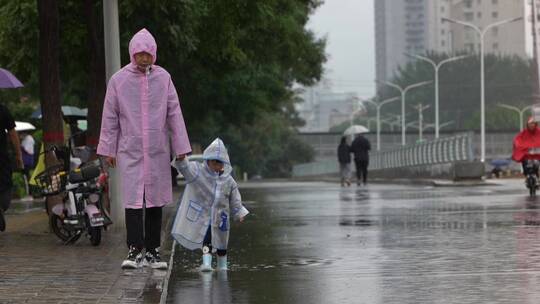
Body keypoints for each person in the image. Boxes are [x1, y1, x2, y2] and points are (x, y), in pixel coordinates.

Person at [97, 28, 191, 269]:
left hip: (157, 149)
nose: (144, 58)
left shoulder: (164, 78)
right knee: (133, 201)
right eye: (139, 54)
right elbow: (110, 116)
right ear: (132, 53)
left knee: (155, 201)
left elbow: (174, 112)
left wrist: (181, 147)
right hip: (130, 149)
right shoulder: (118, 80)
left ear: (154, 54)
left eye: (148, 54)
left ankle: (153, 252)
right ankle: (134, 250)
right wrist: (109, 149)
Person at [172, 138, 249, 271]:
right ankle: (206, 263)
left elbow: (235, 198)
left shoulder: (228, 181)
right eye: (215, 163)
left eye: (220, 164)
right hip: (205, 217)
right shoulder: (198, 172)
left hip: (221, 218)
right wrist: (182, 159)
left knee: (221, 243)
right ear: (207, 161)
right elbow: (186, 168)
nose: (218, 167)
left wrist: (238, 212)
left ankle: (222, 265)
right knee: (206, 239)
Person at [0, 104, 23, 232]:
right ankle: (1, 207)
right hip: (2, 157)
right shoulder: (2, 110)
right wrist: (18, 155)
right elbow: (13, 134)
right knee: (5, 187)